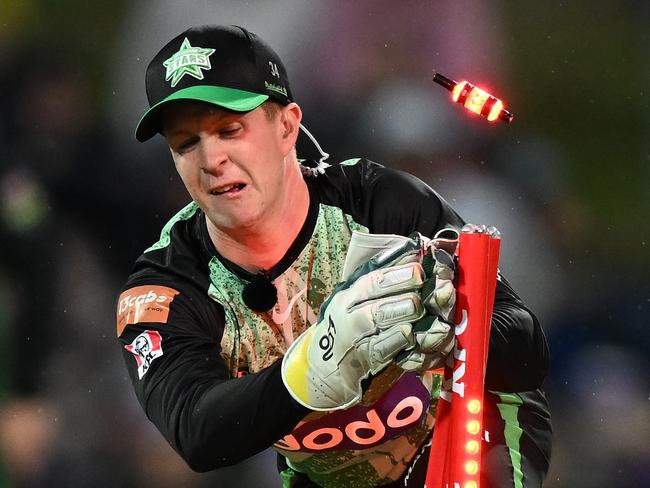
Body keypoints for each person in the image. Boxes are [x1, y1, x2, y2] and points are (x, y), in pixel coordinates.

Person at [116, 25, 552, 487]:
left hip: (465, 431)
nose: (211, 159)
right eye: (186, 143)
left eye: (230, 129)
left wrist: (445, 331)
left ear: (286, 127)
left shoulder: (379, 203)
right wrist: (316, 367)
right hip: (330, 474)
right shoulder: (163, 289)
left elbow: (528, 350)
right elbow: (196, 433)